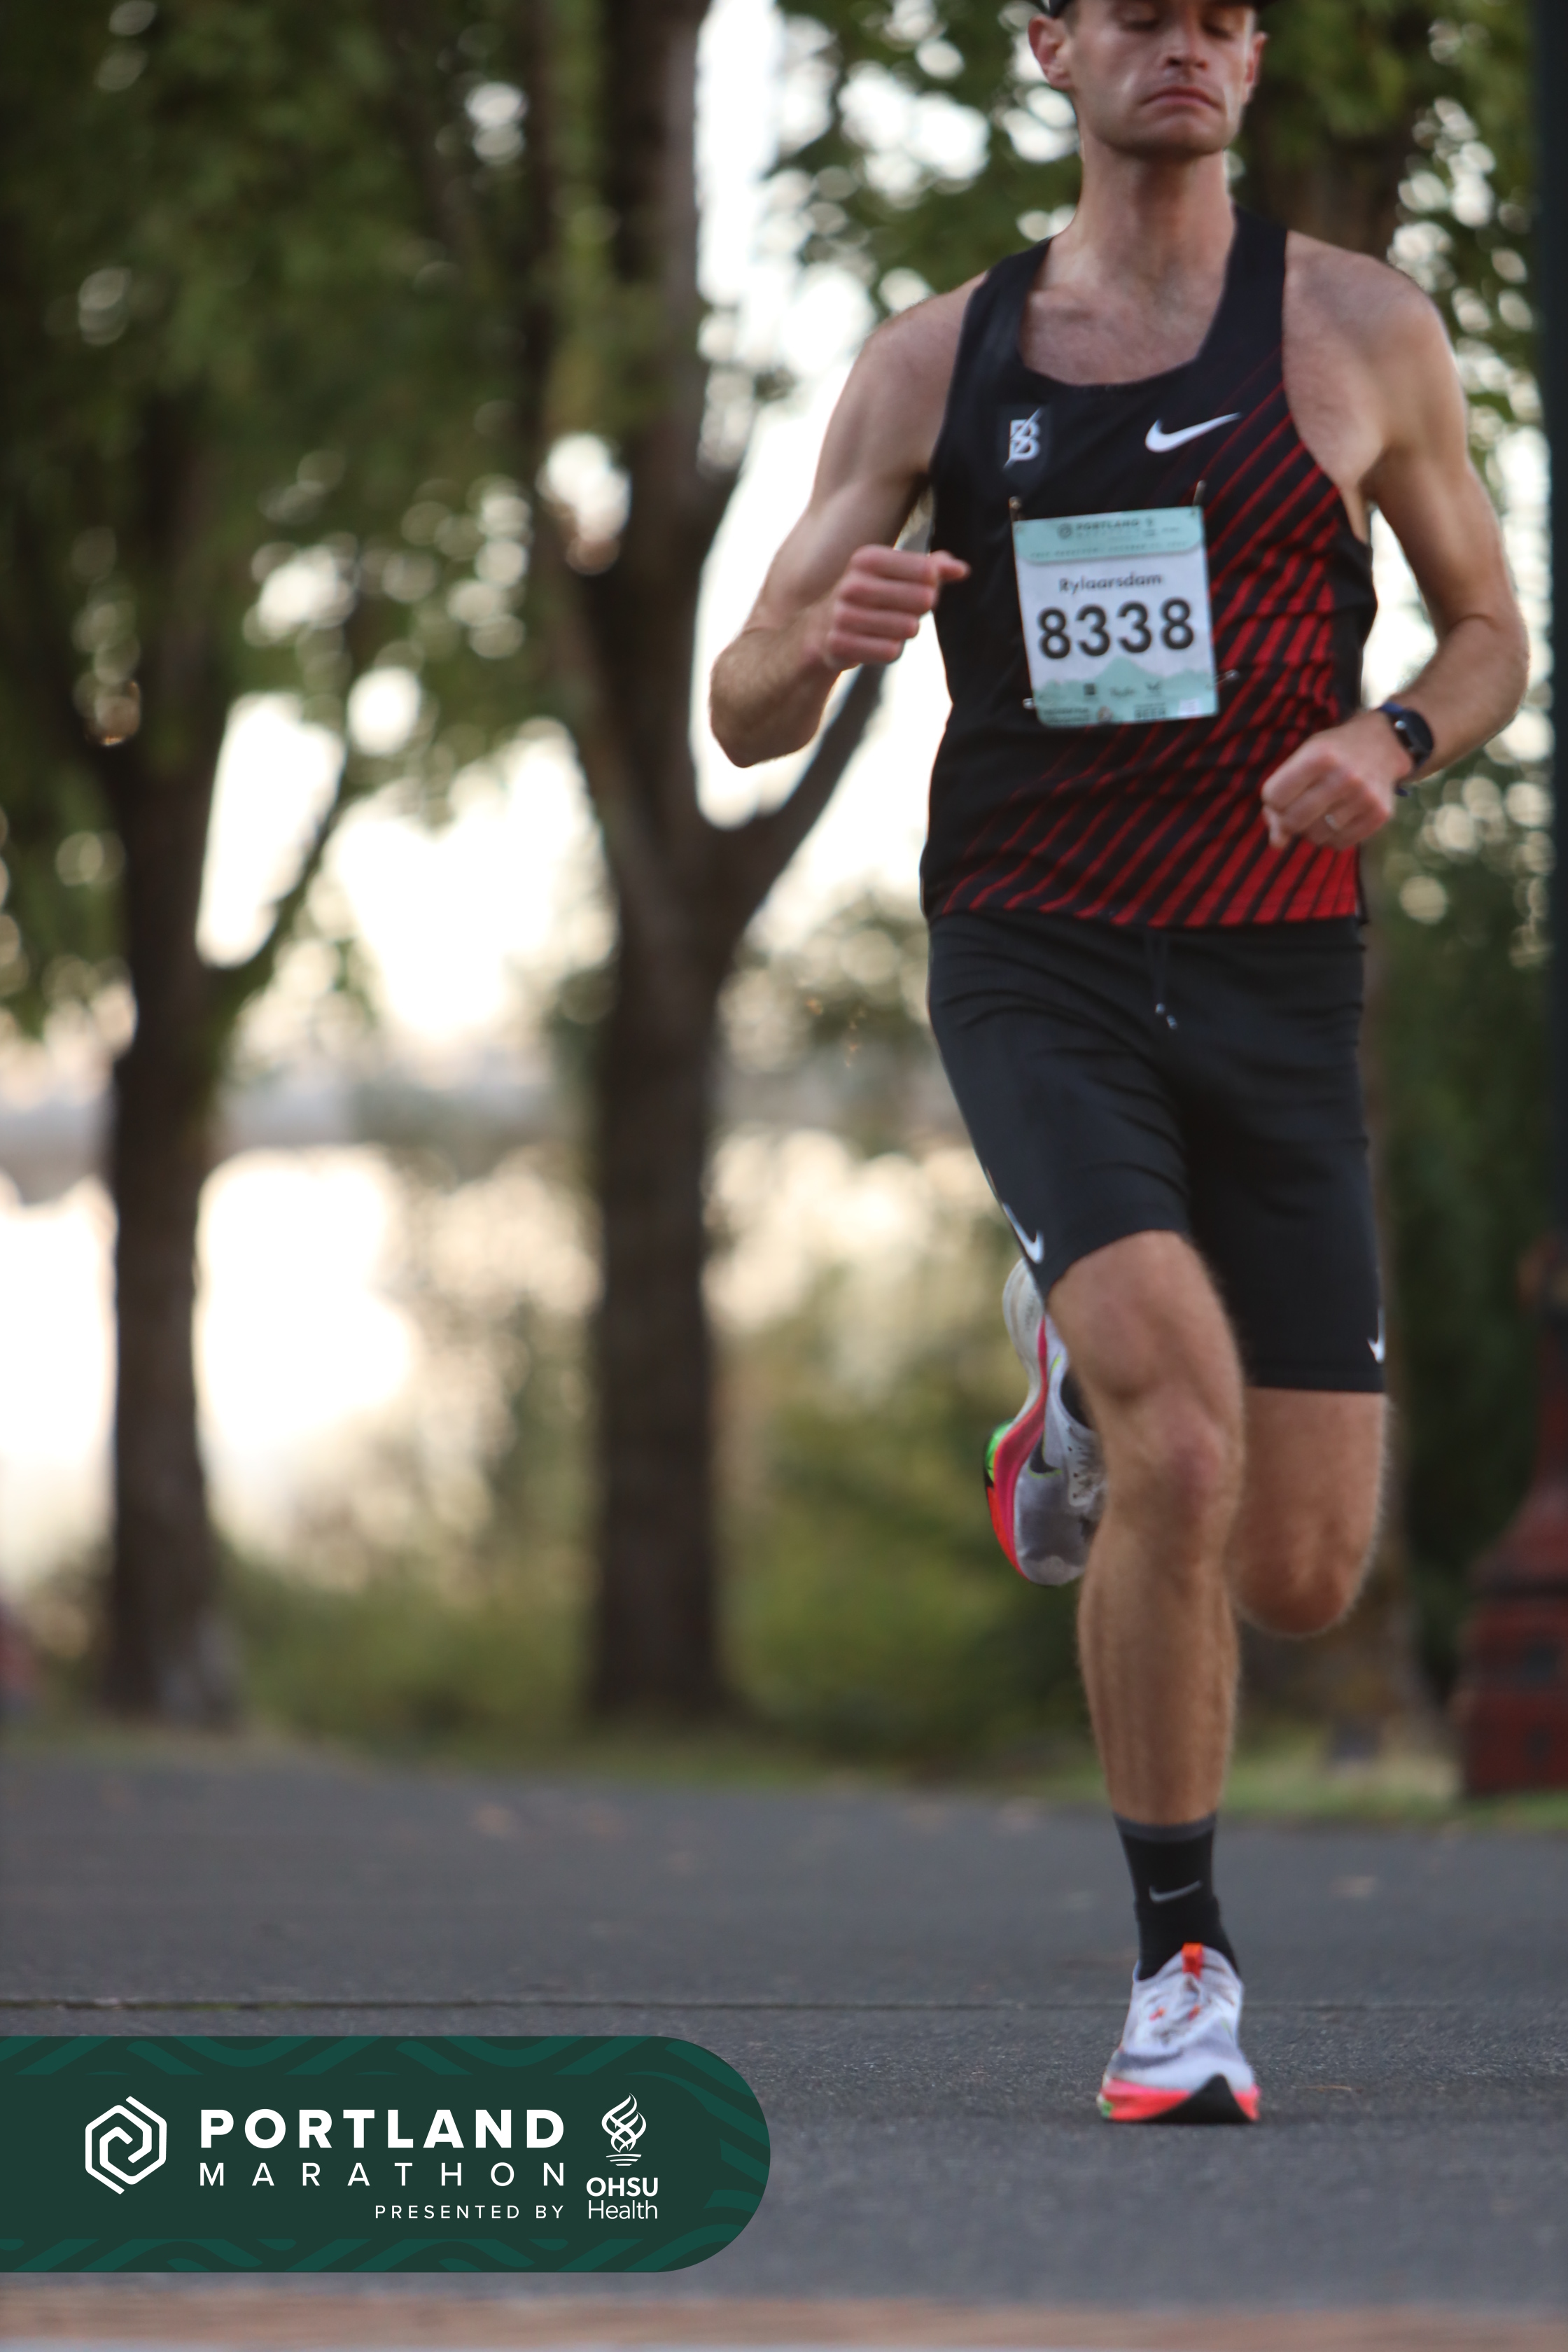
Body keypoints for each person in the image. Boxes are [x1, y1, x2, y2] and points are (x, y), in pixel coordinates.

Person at [709, 0, 1527, 2122]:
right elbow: (740, 703)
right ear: (1051, 50)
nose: (1188, 46)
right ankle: (1182, 1974)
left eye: (1224, 20)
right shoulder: (936, 359)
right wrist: (821, 639)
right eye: (1141, 14)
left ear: (1252, 67)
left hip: (1279, 969)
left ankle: (1072, 1374)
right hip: (1036, 951)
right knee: (1178, 1432)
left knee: (1303, 1568)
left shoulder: (1360, 333)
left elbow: (1490, 634)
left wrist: (1394, 739)